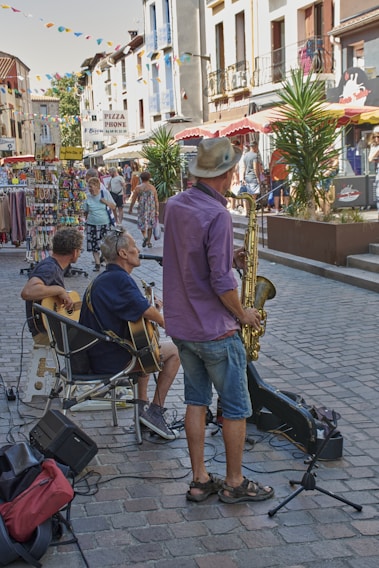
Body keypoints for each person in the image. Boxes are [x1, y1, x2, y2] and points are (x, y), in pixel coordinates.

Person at [162, 137, 275, 503]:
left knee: (195, 401)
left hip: (182, 326)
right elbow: (220, 282)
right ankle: (235, 482)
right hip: (214, 329)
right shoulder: (219, 215)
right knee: (237, 408)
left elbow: (191, 261)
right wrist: (245, 314)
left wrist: (229, 257)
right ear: (227, 174)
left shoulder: (176, 206)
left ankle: (199, 480)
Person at [79, 228, 180, 440]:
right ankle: (155, 411)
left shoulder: (109, 278)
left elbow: (134, 310)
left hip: (100, 352)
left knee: (146, 346)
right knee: (175, 352)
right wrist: (166, 323)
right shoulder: (119, 280)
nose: (139, 250)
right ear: (123, 254)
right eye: (134, 247)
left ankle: (142, 412)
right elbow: (145, 310)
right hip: (110, 359)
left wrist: (153, 311)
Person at [21, 227, 83, 346]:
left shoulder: (53, 265)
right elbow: (27, 292)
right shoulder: (49, 268)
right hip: (44, 333)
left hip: (48, 330)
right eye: (80, 250)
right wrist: (59, 290)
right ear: (75, 252)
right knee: (91, 342)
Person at [83, 176, 116, 271]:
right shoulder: (87, 196)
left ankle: (104, 260)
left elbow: (113, 206)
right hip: (92, 224)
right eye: (89, 187)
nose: (90, 189)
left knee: (105, 244)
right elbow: (85, 210)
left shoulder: (104, 193)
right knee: (94, 245)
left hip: (105, 223)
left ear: (97, 186)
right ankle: (97, 264)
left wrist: (105, 201)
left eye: (91, 187)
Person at [128, 171, 159, 248]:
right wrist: (157, 210)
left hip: (142, 209)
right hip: (151, 209)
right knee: (150, 225)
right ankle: (148, 241)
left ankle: (145, 237)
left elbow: (133, 200)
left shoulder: (138, 188)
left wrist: (130, 208)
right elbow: (156, 200)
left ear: (141, 178)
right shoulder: (152, 188)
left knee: (142, 224)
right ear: (149, 178)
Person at [269, 148, 290, 214]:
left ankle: (277, 209)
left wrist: (270, 173)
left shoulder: (275, 153)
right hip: (285, 176)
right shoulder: (287, 153)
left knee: (276, 194)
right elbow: (289, 165)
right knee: (286, 193)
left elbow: (272, 164)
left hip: (276, 176)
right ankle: (286, 208)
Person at [368, 125, 379, 216]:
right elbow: (370, 158)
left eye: (378, 136)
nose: (376, 139)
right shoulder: (374, 146)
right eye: (374, 136)